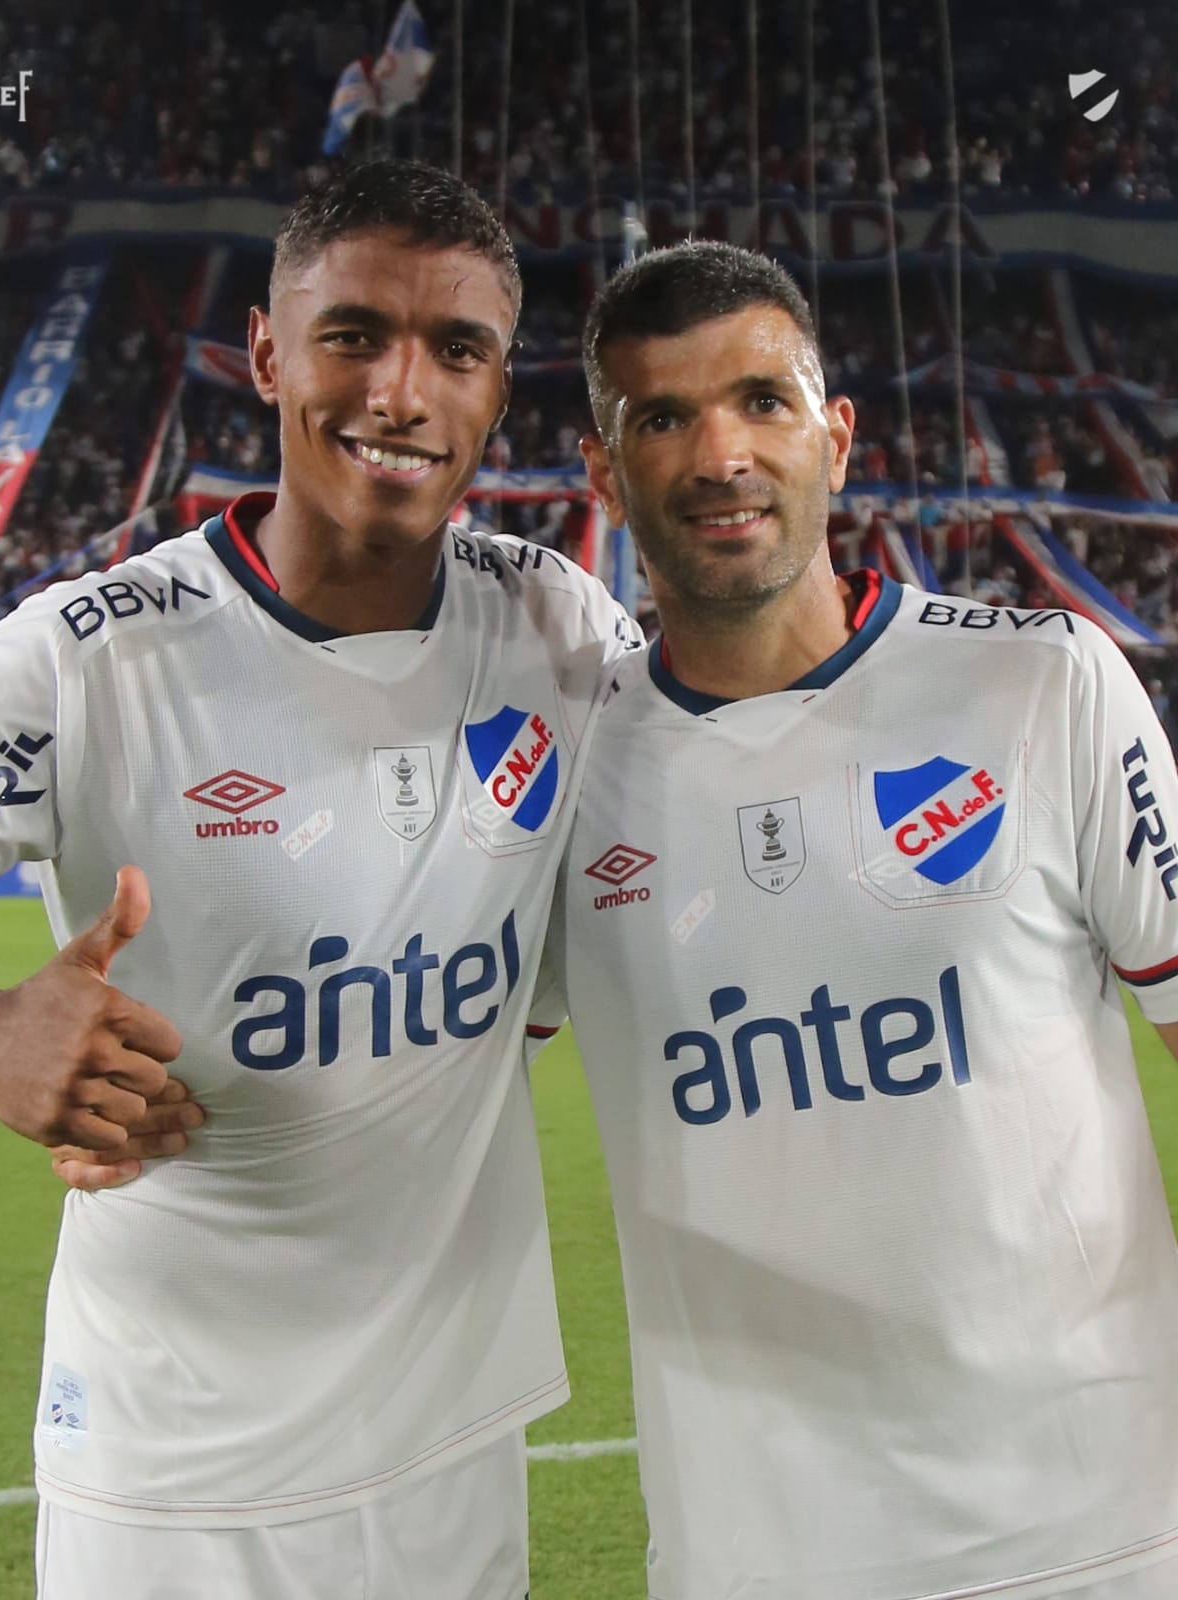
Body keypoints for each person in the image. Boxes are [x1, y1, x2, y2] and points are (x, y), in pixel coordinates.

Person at [0, 159, 637, 1600]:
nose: (401, 393)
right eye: (353, 334)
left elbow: (607, 917)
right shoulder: (85, 660)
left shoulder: (556, 630)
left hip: (454, 1447)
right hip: (174, 1473)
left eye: (458, 349)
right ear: (265, 352)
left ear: (499, 388)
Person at [528, 240, 1178, 1600]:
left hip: (1096, 1531)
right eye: (663, 417)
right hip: (758, 1555)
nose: (722, 455)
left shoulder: (1045, 686)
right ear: (604, 473)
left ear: (835, 436)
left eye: (761, 401)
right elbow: (408, 1065)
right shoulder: (560, 778)